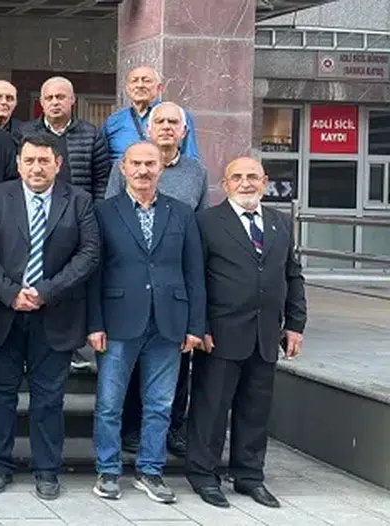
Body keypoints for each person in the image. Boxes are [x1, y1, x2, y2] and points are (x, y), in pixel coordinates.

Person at [0, 133, 100, 501]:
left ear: (58, 164)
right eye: (29, 160)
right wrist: (10, 292)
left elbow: (89, 253)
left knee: (49, 398)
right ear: (18, 164)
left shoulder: (79, 201)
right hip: (4, 314)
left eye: (44, 160)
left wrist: (45, 291)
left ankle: (47, 470)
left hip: (56, 314)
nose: (36, 167)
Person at [87, 142, 205, 503]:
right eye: (136, 163)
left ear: (160, 169)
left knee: (160, 404)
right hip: (118, 320)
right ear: (123, 168)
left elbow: (194, 273)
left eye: (150, 164)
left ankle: (150, 471)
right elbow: (94, 272)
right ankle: (108, 470)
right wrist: (94, 323)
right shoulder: (103, 212)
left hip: (169, 322)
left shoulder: (181, 212)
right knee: (110, 403)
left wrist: (195, 326)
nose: (143, 170)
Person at [186, 157, 306, 509]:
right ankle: (204, 475)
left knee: (255, 410)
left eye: (252, 176)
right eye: (236, 177)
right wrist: (200, 326)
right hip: (220, 335)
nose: (245, 183)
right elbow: (195, 279)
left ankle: (249, 476)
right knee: (211, 408)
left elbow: (292, 275)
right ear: (224, 185)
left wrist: (295, 324)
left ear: (265, 182)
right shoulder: (206, 222)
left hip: (265, 334)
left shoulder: (280, 223)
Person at [105, 101, 209, 456]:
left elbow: (200, 227)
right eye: (159, 121)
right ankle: (130, 432)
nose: (166, 127)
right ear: (148, 129)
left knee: (173, 374)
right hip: (130, 285)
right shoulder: (124, 166)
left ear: (184, 131)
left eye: (173, 122)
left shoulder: (196, 172)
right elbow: (111, 217)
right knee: (128, 372)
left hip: (172, 284)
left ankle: (171, 433)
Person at [19, 77, 110, 200]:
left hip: (79, 206)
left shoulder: (91, 134)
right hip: (37, 206)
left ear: (73, 99)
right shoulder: (25, 133)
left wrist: (94, 207)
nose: (55, 102)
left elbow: (102, 180)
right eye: (49, 98)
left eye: (60, 97)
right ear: (41, 102)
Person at [103, 66, 199, 163]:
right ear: (127, 88)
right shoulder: (113, 121)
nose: (140, 85)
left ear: (159, 88)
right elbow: (102, 164)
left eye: (146, 81)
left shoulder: (176, 116)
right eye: (134, 81)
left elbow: (191, 161)